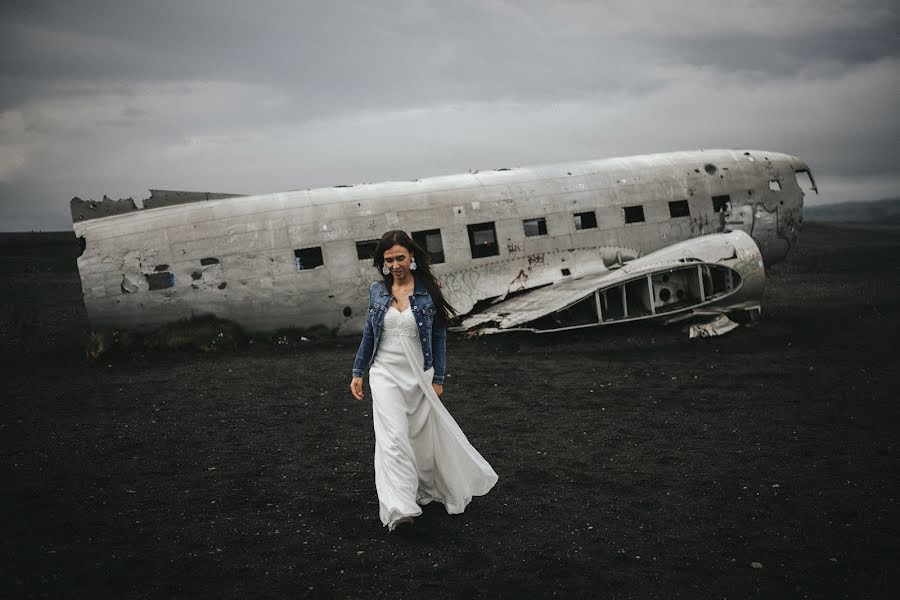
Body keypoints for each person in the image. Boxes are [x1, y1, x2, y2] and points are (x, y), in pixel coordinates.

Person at [350, 230, 498, 531]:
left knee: (420, 437)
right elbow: (369, 334)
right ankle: (401, 508)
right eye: (388, 260)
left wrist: (439, 377)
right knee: (393, 438)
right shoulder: (378, 292)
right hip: (384, 373)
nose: (394, 265)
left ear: (412, 257)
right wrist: (358, 372)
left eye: (400, 258)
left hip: (419, 374)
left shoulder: (428, 290)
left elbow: (440, 334)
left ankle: (423, 488)